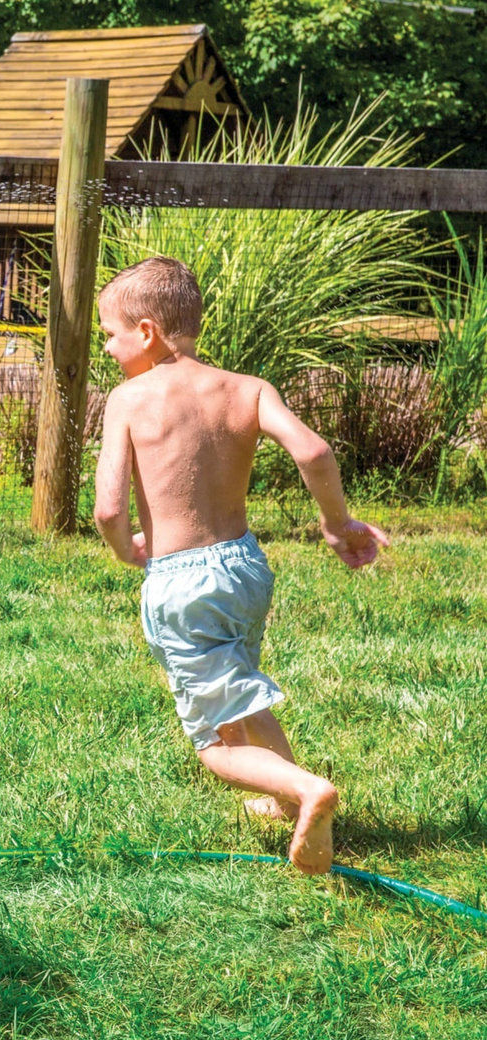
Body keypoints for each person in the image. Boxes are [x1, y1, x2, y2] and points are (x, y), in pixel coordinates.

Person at [92, 257, 388, 874]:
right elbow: (314, 450)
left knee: (210, 742)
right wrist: (336, 525)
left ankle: (307, 789)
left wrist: (126, 549)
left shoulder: (129, 397)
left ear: (146, 332)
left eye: (110, 337)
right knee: (240, 690)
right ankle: (284, 799)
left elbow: (108, 508)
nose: (110, 351)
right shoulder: (248, 389)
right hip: (245, 568)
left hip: (181, 580)